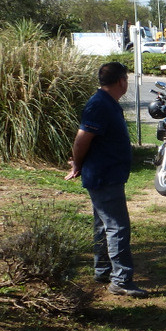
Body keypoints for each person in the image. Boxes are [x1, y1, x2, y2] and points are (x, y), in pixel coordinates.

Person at [64, 61, 148, 298]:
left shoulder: (107, 103)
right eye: (127, 79)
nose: (127, 83)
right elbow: (82, 139)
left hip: (107, 174)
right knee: (117, 227)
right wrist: (77, 163)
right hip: (104, 175)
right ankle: (120, 280)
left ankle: (103, 270)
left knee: (103, 225)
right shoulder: (99, 105)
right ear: (121, 80)